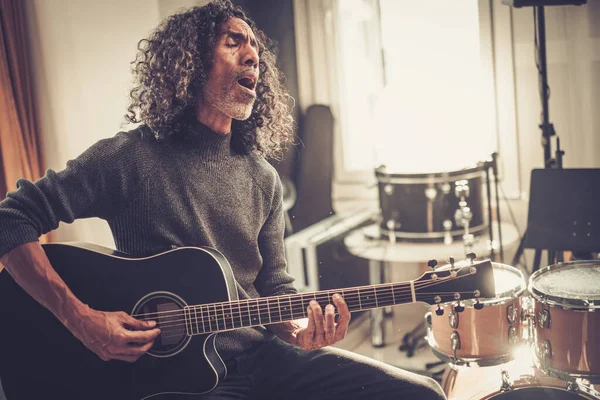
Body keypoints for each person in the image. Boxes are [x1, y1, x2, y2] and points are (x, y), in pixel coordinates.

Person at [0, 1, 446, 399]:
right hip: (170, 377)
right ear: (189, 62)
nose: (253, 56)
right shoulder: (128, 157)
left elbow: (274, 289)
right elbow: (12, 218)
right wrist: (79, 317)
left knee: (422, 393)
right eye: (234, 43)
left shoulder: (263, 178)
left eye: (255, 50)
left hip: (262, 359)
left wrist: (300, 330)